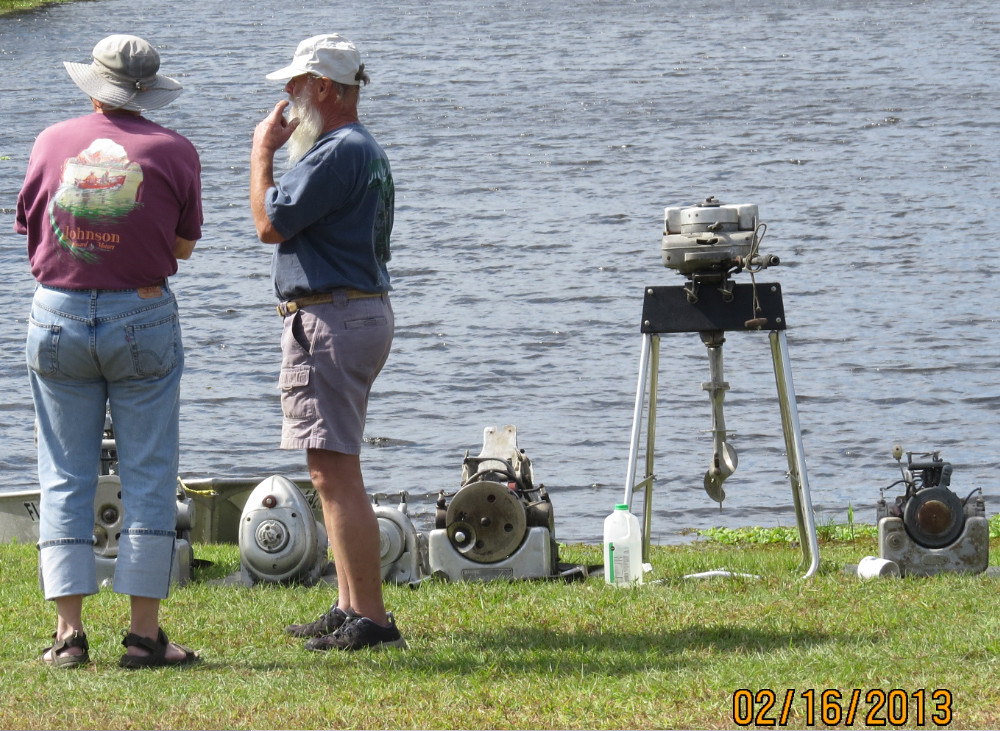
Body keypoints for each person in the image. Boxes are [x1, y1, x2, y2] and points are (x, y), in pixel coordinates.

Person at [15, 34, 202, 669]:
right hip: (141, 314)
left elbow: (29, 227)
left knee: (63, 472)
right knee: (149, 472)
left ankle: (69, 636)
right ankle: (144, 636)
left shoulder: (49, 141)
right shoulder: (176, 151)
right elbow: (181, 248)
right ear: (148, 91)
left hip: (58, 313)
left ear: (93, 86)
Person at [250, 34, 405, 651]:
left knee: (336, 473)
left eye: (295, 85)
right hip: (356, 314)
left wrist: (261, 153)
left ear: (322, 88)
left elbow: (268, 223)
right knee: (329, 469)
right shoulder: (360, 149)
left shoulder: (336, 152)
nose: (287, 98)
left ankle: (371, 616)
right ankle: (348, 606)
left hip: (333, 320)